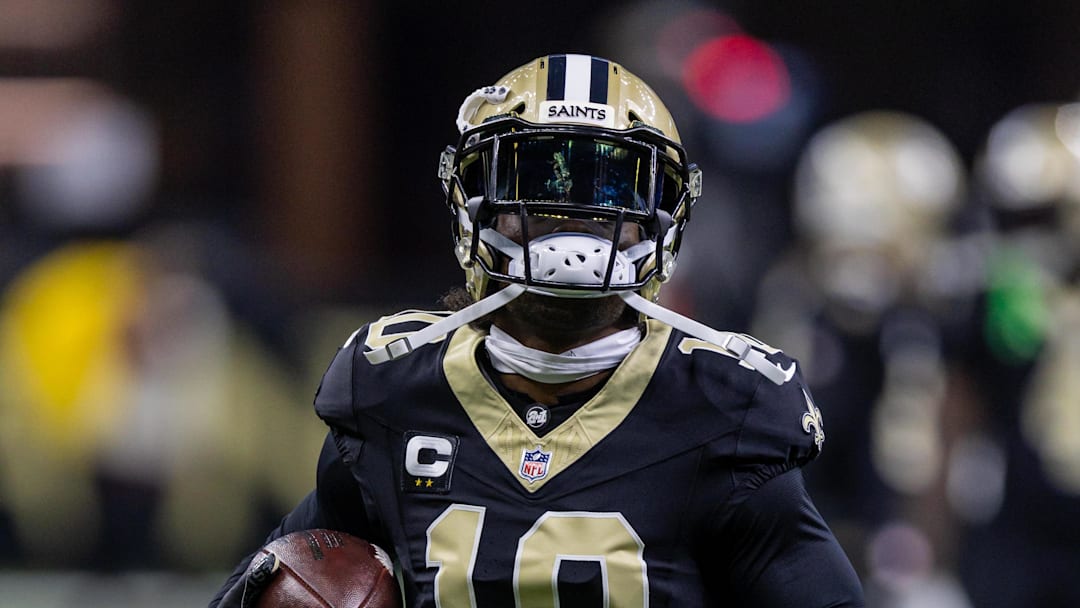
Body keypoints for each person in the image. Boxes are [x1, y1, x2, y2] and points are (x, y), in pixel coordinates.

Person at [211, 53, 864, 607]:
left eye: (607, 185)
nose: (572, 212)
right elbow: (279, 578)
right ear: (473, 197)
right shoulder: (394, 392)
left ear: (662, 214)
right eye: (539, 175)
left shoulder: (724, 407)